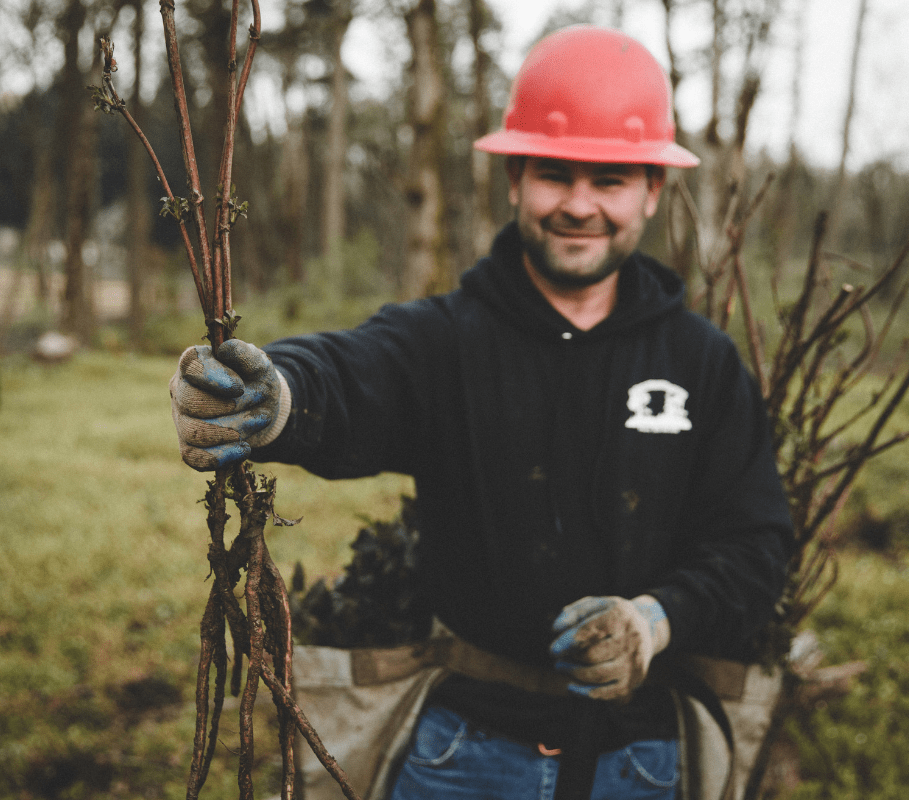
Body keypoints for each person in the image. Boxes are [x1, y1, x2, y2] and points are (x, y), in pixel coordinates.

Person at [169, 24, 793, 800]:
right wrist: (277, 395)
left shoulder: (702, 363)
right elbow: (351, 374)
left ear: (653, 191)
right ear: (513, 179)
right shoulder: (447, 338)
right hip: (460, 754)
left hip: (644, 758)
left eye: (610, 181)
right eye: (554, 175)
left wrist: (654, 621)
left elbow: (758, 542)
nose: (579, 205)